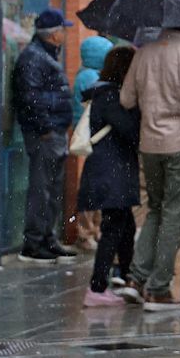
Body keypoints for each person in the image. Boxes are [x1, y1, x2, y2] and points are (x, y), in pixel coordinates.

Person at [119, 24, 180, 312]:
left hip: (150, 144)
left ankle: (135, 278)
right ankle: (158, 289)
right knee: (175, 213)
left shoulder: (143, 53)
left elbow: (126, 99)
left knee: (156, 210)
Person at [13, 8, 78, 264]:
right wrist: (45, 129)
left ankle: (47, 238)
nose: (65, 34)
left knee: (52, 188)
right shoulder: (34, 58)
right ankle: (35, 241)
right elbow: (29, 98)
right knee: (42, 188)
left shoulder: (45, 56)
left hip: (55, 132)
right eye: (63, 29)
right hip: (45, 134)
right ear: (53, 34)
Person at [78, 46, 140, 307]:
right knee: (114, 227)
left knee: (126, 226)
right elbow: (130, 130)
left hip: (111, 170)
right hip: (111, 172)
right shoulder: (110, 96)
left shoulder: (103, 94)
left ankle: (127, 277)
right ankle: (97, 286)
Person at [71, 34, 115, 252]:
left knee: (98, 185)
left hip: (96, 140)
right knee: (93, 186)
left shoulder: (90, 75)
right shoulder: (89, 78)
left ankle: (93, 229)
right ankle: (86, 231)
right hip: (94, 139)